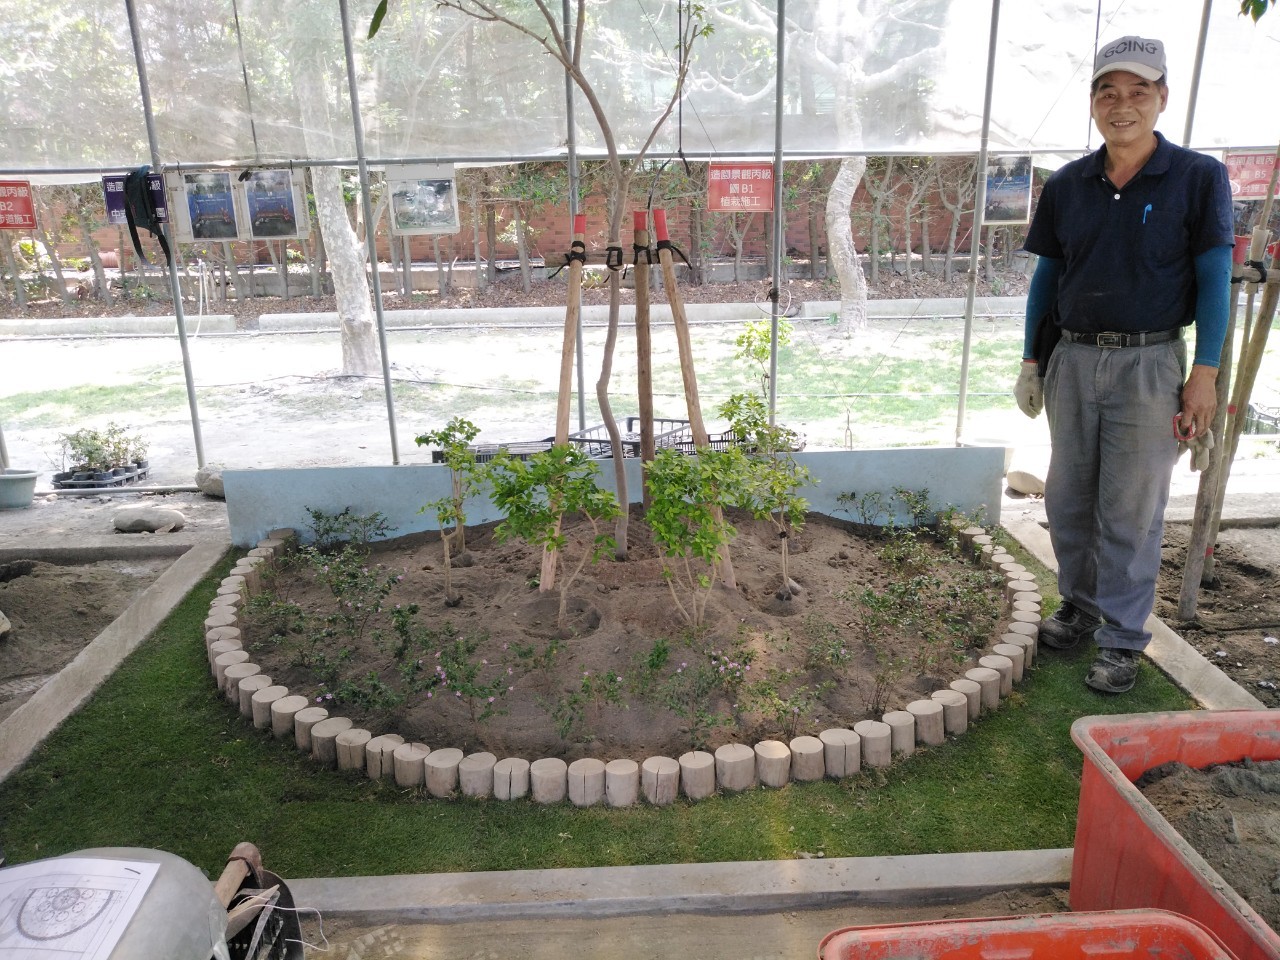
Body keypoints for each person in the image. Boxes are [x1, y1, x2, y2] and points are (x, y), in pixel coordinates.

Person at [1013, 35, 1233, 694]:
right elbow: (1047, 277)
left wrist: (1205, 373)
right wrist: (1031, 359)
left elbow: (1215, 278)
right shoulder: (1068, 184)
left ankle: (1122, 637)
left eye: (1139, 91)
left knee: (1131, 509)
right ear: (1093, 102)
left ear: (1162, 98)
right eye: (1108, 92)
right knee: (1068, 498)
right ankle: (1079, 606)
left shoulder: (1198, 177)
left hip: (1150, 362)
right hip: (1073, 359)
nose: (1123, 105)